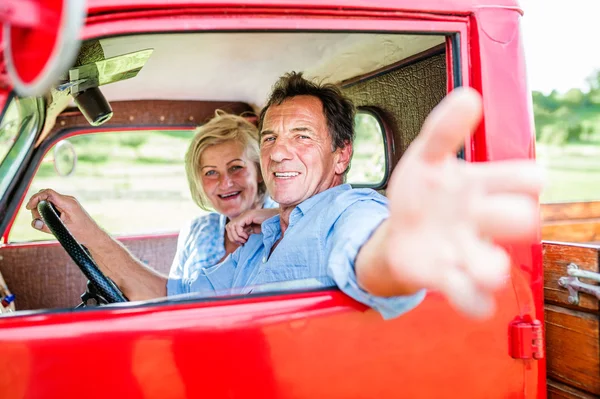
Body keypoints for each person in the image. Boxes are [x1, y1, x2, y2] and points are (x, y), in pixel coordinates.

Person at [27, 72, 543, 319]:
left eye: (302, 136)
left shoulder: (351, 211)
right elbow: (170, 296)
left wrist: (398, 251)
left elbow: (370, 250)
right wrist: (85, 227)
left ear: (341, 155)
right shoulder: (262, 232)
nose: (277, 153)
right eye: (270, 137)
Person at [169, 110, 278, 293]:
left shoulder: (287, 224)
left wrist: (278, 216)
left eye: (236, 167)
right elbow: (173, 295)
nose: (225, 182)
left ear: (259, 172)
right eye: (211, 172)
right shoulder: (195, 230)